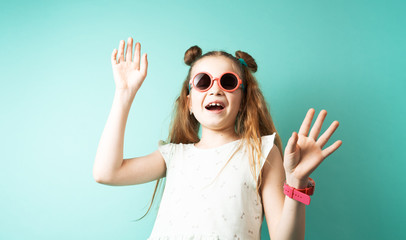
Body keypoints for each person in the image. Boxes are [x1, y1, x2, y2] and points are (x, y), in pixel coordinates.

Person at [93, 36, 342, 240]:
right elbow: (107, 173)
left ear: (243, 100)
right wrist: (124, 94)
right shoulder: (174, 156)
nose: (215, 89)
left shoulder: (261, 152)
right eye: (202, 82)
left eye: (228, 81)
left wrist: (297, 182)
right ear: (189, 102)